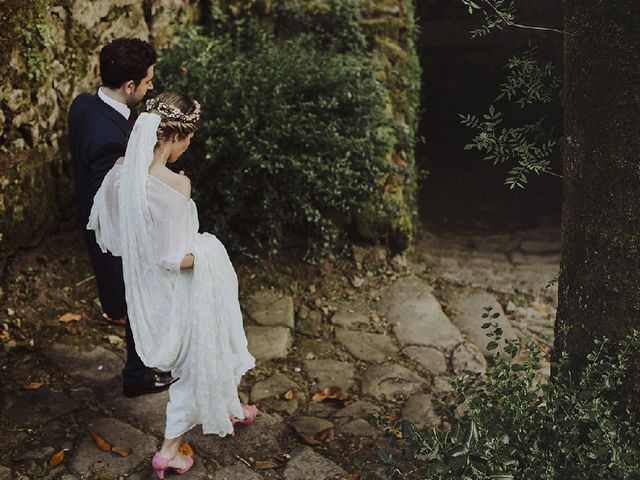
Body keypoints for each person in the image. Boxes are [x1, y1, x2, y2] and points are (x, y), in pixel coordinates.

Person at [87, 91, 257, 477]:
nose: (190, 144)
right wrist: (211, 253)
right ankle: (168, 452)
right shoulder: (176, 186)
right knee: (197, 364)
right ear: (176, 137)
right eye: (190, 137)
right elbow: (173, 258)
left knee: (216, 343)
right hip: (176, 291)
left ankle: (231, 404)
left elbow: (110, 233)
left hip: (145, 292)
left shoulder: (120, 174)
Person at [68, 37, 176, 397]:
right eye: (147, 82)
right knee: (137, 298)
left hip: (102, 221)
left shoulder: (82, 105)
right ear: (129, 86)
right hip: (114, 236)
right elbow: (117, 198)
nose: (151, 87)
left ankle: (143, 367)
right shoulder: (109, 142)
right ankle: (138, 376)